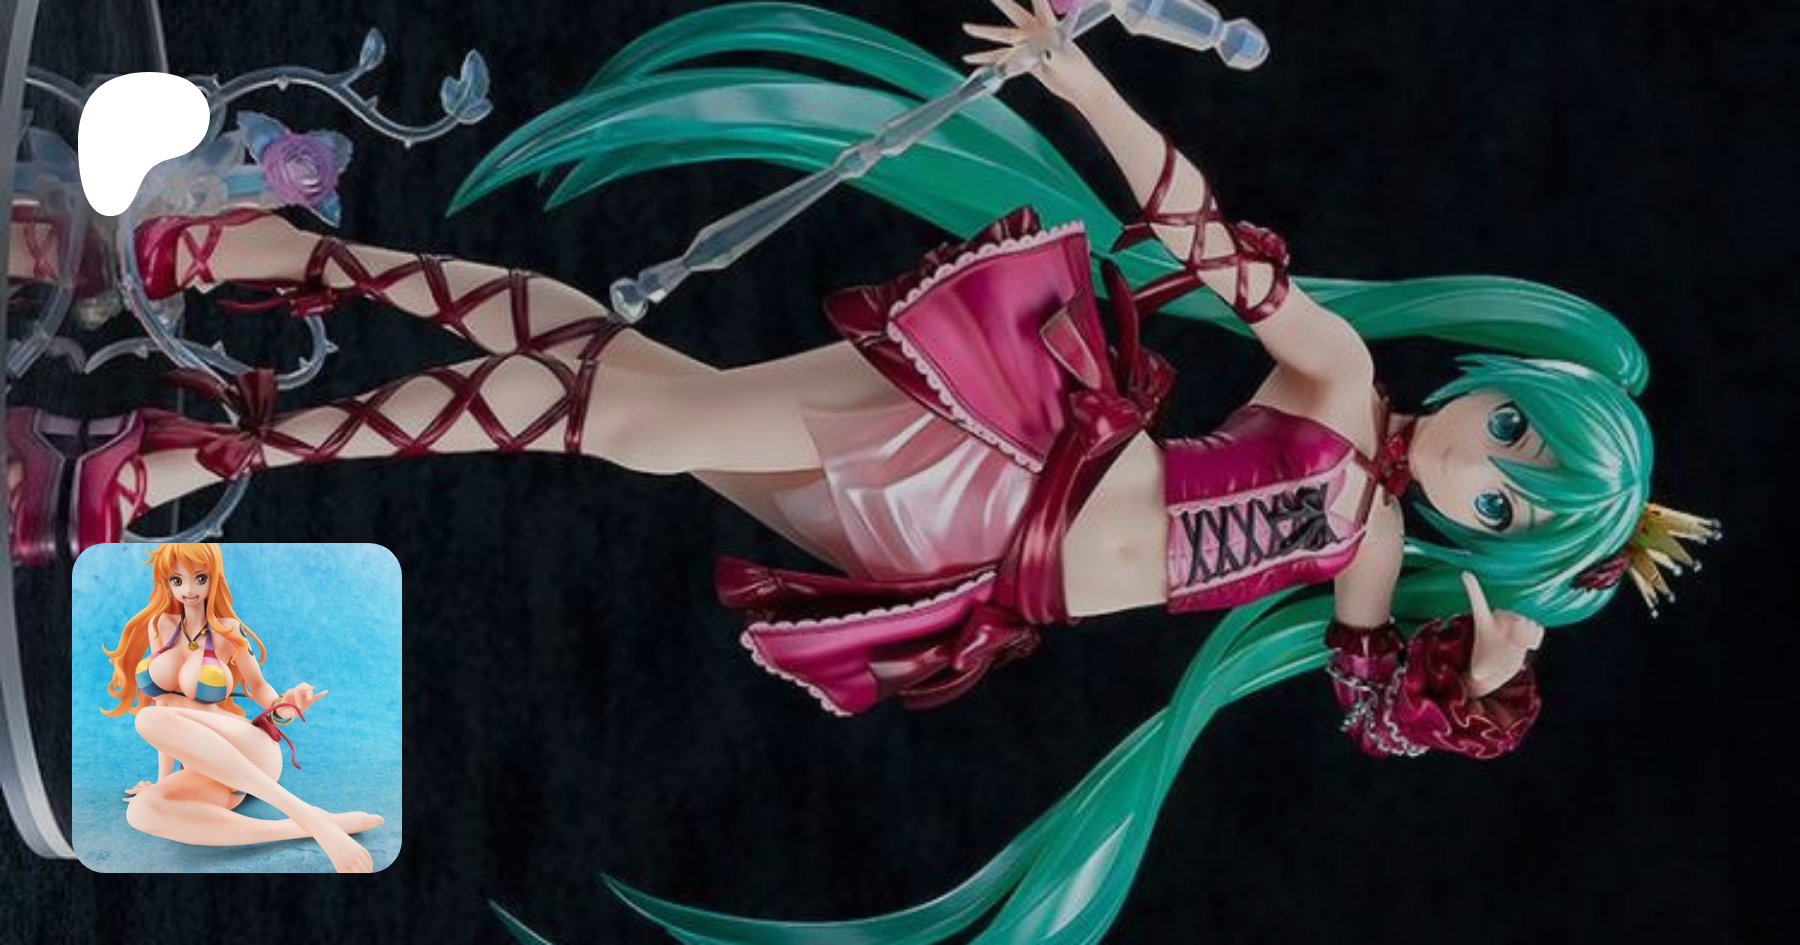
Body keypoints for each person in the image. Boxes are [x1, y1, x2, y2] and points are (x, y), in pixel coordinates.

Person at [7, 0, 1713, 933]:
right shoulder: (1336, 384)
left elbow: (1374, 709)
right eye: (1510, 434)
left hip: (961, 574)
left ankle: (261, 258)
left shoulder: (1367, 558)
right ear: (1497, 383)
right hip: (989, 448)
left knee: (615, 380)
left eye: (1506, 502)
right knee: (615, 415)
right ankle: (183, 460)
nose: (1479, 469)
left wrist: (1487, 674)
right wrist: (1083, 80)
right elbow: (1202, 240)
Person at [102, 541, 383, 872]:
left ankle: (307, 816)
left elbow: (258, 686)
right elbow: (165, 710)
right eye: (177, 580)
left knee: (149, 719)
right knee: (142, 811)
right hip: (211, 769)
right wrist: (162, 782)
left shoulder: (228, 631)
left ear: (214, 578)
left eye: (199, 578)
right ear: (167, 582)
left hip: (248, 750)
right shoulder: (159, 626)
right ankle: (312, 824)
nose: (189, 590)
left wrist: (283, 708)